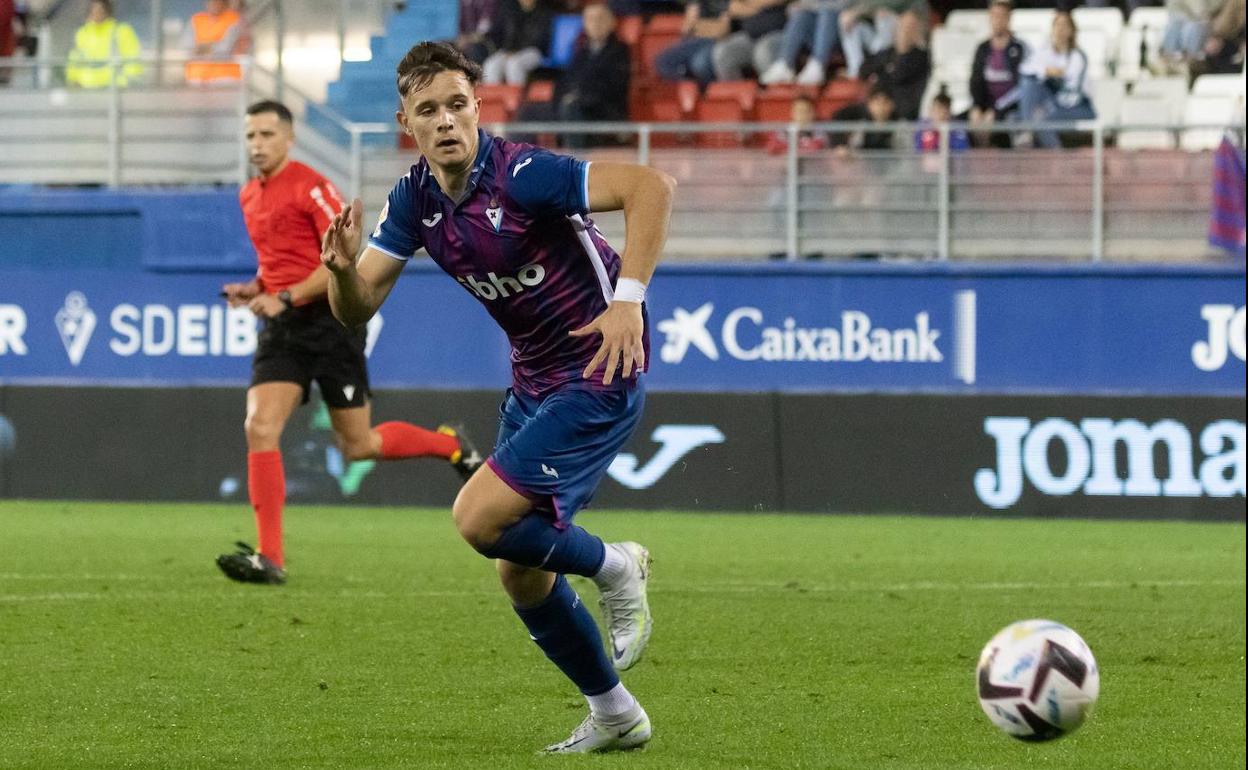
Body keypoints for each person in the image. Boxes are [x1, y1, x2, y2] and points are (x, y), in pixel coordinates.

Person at [320, 42, 676, 753]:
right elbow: (355, 309)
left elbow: (650, 187)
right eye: (429, 110)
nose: (447, 120)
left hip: (600, 364)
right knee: (519, 572)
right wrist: (337, 270)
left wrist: (629, 302)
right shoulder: (414, 200)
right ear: (406, 123)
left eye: (458, 104)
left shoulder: (523, 176)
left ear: (478, 108)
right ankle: (615, 714)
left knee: (475, 517)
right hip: (535, 379)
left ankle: (616, 565)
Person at [215, 100, 483, 586]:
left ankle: (448, 445)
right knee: (259, 425)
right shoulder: (248, 196)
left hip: (331, 323)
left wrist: (286, 296)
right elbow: (279, 262)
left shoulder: (312, 186)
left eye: (267, 135)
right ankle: (269, 556)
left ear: (289, 138)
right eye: (250, 135)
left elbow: (341, 260)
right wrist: (255, 289)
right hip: (285, 329)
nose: (257, 145)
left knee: (358, 446)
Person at [514, 2, 631, 148]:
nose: (595, 23)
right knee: (530, 112)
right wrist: (562, 99)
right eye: (590, 19)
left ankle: (574, 163)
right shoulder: (580, 51)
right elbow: (564, 80)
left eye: (600, 18)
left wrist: (578, 96)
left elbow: (614, 87)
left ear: (612, 22)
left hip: (599, 109)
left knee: (571, 108)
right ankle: (513, 163)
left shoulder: (620, 51)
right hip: (569, 104)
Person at [1014, 9, 1095, 149]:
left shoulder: (1077, 56)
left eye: (1065, 26)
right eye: (1057, 25)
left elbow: (1071, 92)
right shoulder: (1045, 52)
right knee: (1026, 88)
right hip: (1053, 103)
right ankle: (1027, 133)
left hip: (1077, 106)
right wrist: (1046, 71)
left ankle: (1056, 155)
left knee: (1041, 119)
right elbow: (1025, 69)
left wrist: (1046, 106)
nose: (1060, 30)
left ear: (1071, 31)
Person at [858, 8, 929, 119]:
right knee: (843, 115)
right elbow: (863, 70)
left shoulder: (922, 57)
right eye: (902, 28)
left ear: (916, 33)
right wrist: (884, 68)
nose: (904, 33)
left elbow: (899, 75)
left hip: (905, 109)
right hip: (879, 104)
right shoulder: (887, 52)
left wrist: (884, 71)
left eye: (909, 29)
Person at [968, 0, 1027, 132]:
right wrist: (977, 107)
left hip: (1010, 107)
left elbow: (1021, 87)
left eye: (1002, 16)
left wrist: (997, 110)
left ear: (1009, 18)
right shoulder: (982, 49)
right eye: (995, 16)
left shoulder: (1019, 49)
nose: (998, 20)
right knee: (960, 122)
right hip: (986, 106)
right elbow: (975, 80)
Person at [758, 0, 848, 86]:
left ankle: (818, 65)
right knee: (801, 14)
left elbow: (844, 5)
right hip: (815, 35)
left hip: (842, 34)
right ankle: (785, 64)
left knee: (828, 13)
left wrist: (811, 6)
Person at [65, 0, 143, 89]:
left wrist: (127, 82)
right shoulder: (82, 33)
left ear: (107, 12)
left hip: (114, 89)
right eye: (93, 10)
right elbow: (74, 59)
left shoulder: (121, 31)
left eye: (100, 10)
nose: (96, 14)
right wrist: (73, 79)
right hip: (86, 88)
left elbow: (132, 58)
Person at [655, 0, 732, 85]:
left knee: (699, 63)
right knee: (663, 61)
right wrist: (705, 27)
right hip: (694, 40)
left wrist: (696, 26)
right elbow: (686, 28)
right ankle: (690, 91)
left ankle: (705, 92)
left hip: (717, 41)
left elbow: (722, 30)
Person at [481, 0, 554, 85]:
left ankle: (516, 98)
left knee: (514, 64)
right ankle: (493, 98)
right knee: (491, 65)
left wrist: (516, 52)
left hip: (535, 52)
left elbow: (540, 40)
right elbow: (503, 34)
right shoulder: (511, 10)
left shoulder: (544, 12)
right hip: (510, 51)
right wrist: (508, 50)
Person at [183, 0, 246, 84]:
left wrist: (201, 48)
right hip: (197, 75)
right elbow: (187, 46)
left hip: (225, 77)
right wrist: (212, 45)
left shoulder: (233, 19)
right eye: (211, 2)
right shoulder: (196, 19)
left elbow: (225, 47)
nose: (213, 4)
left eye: (217, 2)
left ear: (224, 3)